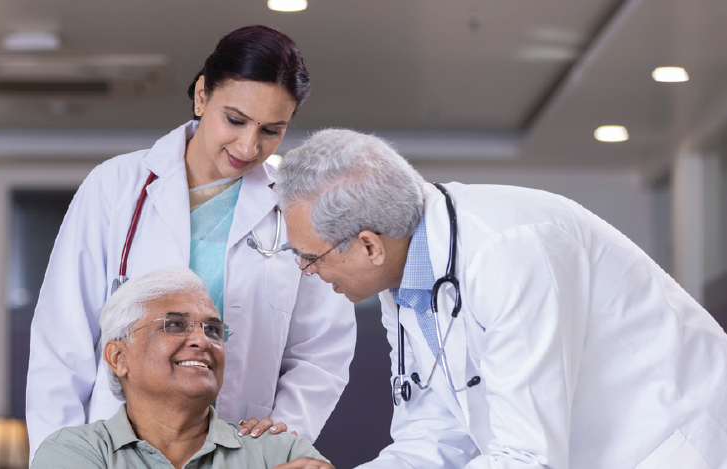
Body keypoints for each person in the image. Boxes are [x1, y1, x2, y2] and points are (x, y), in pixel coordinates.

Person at [274, 128, 727, 469]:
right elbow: (435, 435)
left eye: (311, 257)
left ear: (370, 245)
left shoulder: (510, 250)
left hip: (672, 447)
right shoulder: (408, 281)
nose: (307, 271)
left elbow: (526, 457)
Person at [26, 25, 356, 461]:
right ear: (202, 95)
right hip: (118, 450)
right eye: (235, 120)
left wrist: (282, 433)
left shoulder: (293, 210)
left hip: (243, 448)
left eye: (271, 130)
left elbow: (321, 348)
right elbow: (61, 339)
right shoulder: (116, 187)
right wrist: (62, 453)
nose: (248, 145)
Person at [34, 267, 334, 469]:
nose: (202, 341)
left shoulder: (280, 450)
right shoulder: (72, 451)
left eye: (214, 330)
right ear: (118, 357)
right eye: (175, 325)